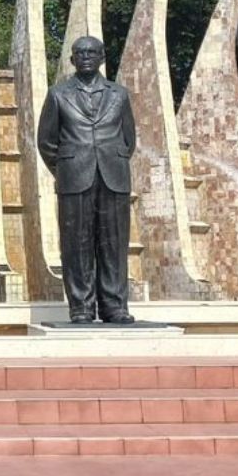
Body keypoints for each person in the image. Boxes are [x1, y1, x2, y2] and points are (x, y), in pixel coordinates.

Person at [37, 35, 136, 324]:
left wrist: (112, 159)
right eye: (80, 53)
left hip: (113, 176)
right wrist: (66, 167)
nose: (86, 57)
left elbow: (129, 139)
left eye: (92, 52)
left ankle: (114, 306)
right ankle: (81, 307)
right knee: (76, 243)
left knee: (114, 243)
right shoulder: (58, 94)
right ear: (72, 60)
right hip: (74, 176)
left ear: (103, 57)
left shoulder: (119, 94)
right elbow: (46, 141)